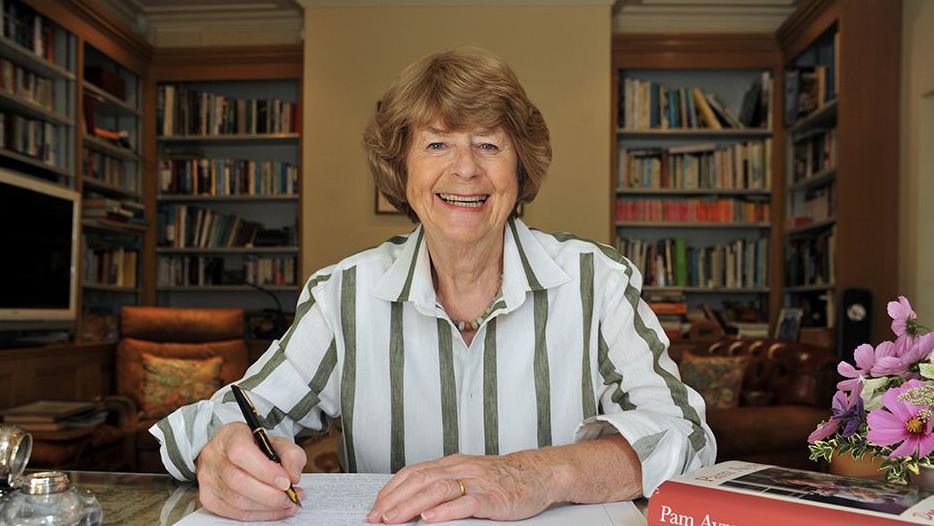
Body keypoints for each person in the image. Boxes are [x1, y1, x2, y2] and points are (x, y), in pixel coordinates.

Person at [151, 47, 715, 524]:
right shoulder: (345, 293)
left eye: (489, 145)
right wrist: (219, 452)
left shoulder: (597, 280)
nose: (465, 169)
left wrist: (535, 474)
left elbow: (686, 436)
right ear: (402, 170)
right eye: (437, 143)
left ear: (521, 171)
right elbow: (233, 414)